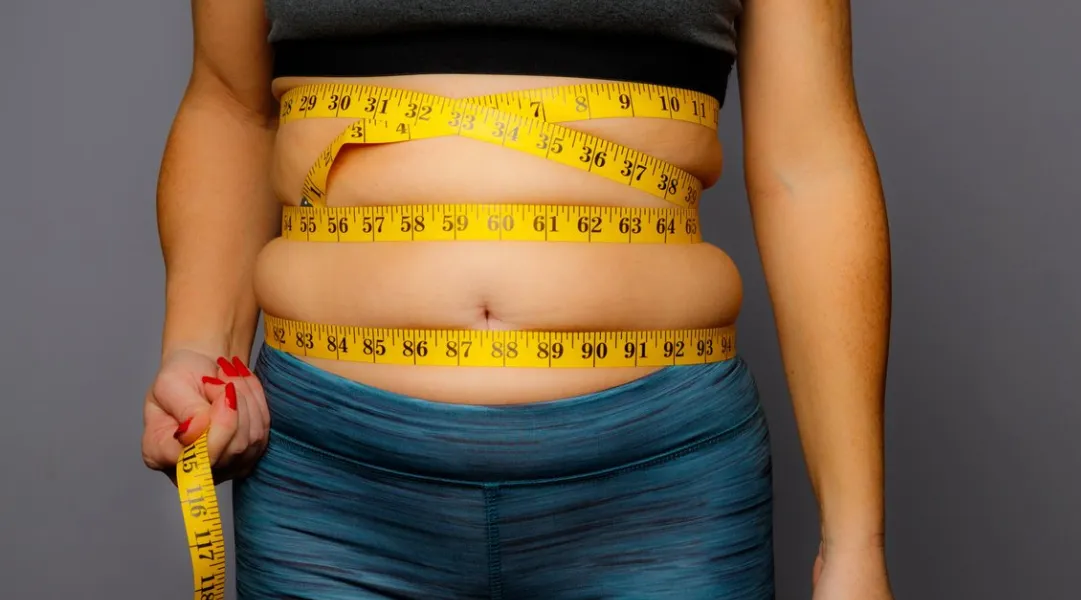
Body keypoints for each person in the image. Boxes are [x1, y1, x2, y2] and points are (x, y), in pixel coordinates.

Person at [141, 0, 893, 598]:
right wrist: (199, 350)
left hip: (663, 488)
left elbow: (809, 160)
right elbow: (231, 104)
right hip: (328, 489)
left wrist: (855, 542)